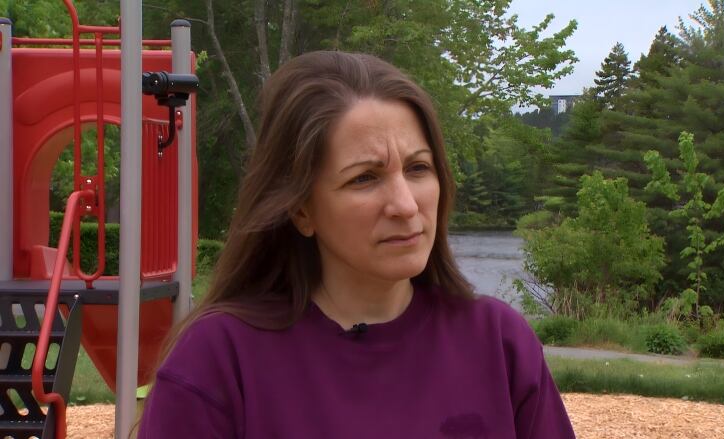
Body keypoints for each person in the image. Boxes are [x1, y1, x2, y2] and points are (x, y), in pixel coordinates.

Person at [138, 51, 575, 438]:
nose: (405, 205)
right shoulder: (218, 360)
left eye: (418, 168)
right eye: (364, 178)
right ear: (301, 210)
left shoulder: (499, 344)